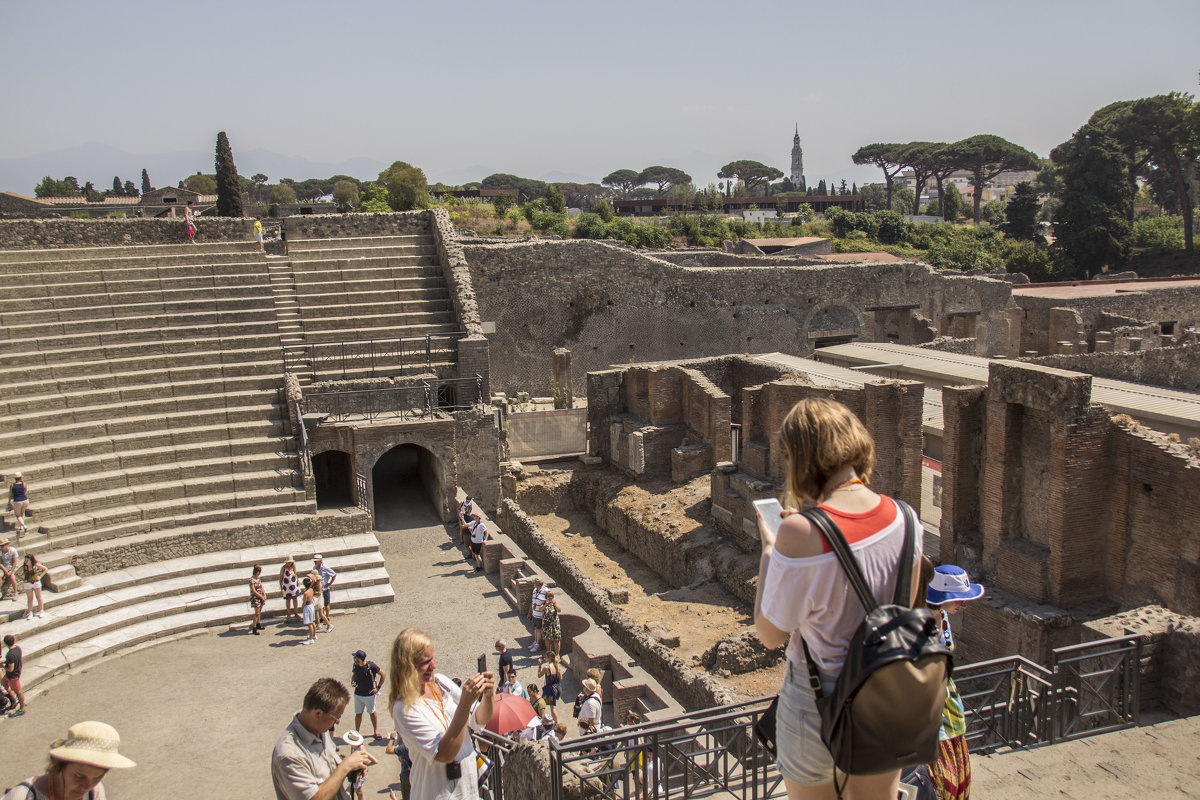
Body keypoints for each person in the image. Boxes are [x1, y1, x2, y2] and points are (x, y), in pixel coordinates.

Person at [754, 397, 923, 800]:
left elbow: (770, 635)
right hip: (887, 697)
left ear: (802, 458)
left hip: (817, 702)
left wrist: (768, 554)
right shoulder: (907, 517)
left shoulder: (799, 533)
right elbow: (907, 610)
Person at [388, 628, 495, 800]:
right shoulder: (404, 708)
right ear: (407, 665)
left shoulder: (441, 682)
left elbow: (478, 719)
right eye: (426, 662)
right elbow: (444, 753)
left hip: (467, 791)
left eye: (433, 659)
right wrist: (465, 704)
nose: (434, 666)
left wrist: (489, 695)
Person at [922, 564, 985, 800]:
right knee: (940, 783)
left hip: (950, 709)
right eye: (959, 598)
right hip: (925, 709)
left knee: (959, 783)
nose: (964, 604)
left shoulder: (944, 617)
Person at [272, 677, 377, 800]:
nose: (337, 723)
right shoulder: (289, 756)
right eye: (336, 717)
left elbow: (329, 766)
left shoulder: (320, 729)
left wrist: (352, 766)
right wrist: (346, 766)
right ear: (318, 714)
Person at [1, 719, 136, 800]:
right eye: (79, 776)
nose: (86, 786)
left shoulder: (94, 792)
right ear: (59, 765)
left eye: (97, 777)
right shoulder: (24, 796)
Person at [351, 649, 386, 739]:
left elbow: (383, 674)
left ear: (359, 658)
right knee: (358, 714)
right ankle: (357, 732)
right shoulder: (355, 665)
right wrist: (353, 681)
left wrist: (377, 688)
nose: (354, 658)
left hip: (369, 695)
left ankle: (376, 731)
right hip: (358, 694)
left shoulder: (371, 666)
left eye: (355, 657)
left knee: (372, 713)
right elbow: (354, 675)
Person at [385, 730, 412, 800]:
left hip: (406, 776)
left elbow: (388, 750)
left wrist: (392, 738)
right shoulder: (420, 746)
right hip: (418, 775)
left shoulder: (405, 748)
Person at [538, 654, 562, 726]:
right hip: (557, 688)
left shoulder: (546, 668)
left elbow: (539, 675)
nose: (544, 658)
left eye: (546, 657)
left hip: (550, 689)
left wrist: (539, 666)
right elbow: (561, 677)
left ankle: (556, 723)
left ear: (549, 658)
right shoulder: (557, 666)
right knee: (550, 706)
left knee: (545, 705)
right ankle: (555, 723)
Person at [21, 555, 47, 620]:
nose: (25, 561)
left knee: (38, 597)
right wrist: (23, 579)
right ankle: (30, 612)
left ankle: (41, 611)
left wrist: (40, 576)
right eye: (25, 560)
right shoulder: (24, 567)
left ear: (31, 560)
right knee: (30, 598)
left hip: (36, 583)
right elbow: (16, 573)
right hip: (28, 584)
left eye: (27, 560)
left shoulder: (35, 565)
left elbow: (45, 569)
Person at [3, 633, 23, 716]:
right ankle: (13, 699)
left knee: (18, 691)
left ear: (6, 643)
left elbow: (10, 669)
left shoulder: (10, 655)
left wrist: (3, 666)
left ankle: (22, 708)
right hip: (14, 672)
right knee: (3, 682)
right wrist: (5, 662)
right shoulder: (18, 648)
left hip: (13, 676)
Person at [316, 554, 337, 632]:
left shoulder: (325, 568)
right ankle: (323, 617)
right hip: (319, 590)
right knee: (321, 605)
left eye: (316, 561)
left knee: (326, 604)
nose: (315, 562)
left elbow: (334, 574)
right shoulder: (315, 568)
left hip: (325, 589)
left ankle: (327, 617)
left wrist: (329, 583)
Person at [540, 590, 562, 660]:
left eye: (551, 596)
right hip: (547, 624)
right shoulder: (544, 603)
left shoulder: (554, 603)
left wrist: (554, 603)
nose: (549, 598)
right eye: (548, 596)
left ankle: (557, 654)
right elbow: (540, 609)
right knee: (547, 639)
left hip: (554, 624)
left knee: (556, 639)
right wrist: (546, 604)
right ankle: (548, 654)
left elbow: (559, 610)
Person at [528, 578, 547, 653]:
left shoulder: (545, 591)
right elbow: (533, 602)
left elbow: (549, 602)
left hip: (540, 615)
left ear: (538, 584)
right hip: (535, 614)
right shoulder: (535, 591)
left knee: (539, 629)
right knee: (535, 628)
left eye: (534, 583)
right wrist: (530, 612)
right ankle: (535, 641)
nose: (533, 584)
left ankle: (538, 645)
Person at [248, 564, 267, 635]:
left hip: (260, 596)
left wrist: (264, 594)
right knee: (257, 613)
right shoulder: (251, 580)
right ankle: (254, 627)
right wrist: (261, 596)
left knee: (260, 611)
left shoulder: (258, 579)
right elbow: (254, 591)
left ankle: (258, 624)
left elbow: (261, 587)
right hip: (255, 597)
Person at [300, 576, 317, 645]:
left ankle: (310, 639)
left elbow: (304, 602)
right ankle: (313, 635)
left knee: (309, 623)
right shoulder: (311, 589)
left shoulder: (306, 593)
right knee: (312, 622)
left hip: (307, 606)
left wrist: (302, 606)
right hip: (311, 605)